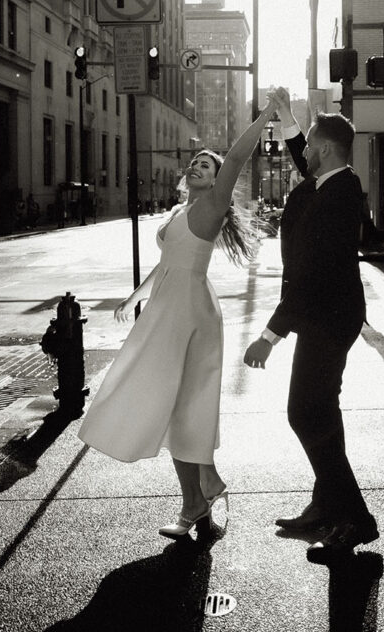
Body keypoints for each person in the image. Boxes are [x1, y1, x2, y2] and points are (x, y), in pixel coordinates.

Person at [78, 99, 276, 541]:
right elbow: (167, 263)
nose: (198, 167)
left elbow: (238, 158)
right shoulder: (180, 212)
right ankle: (199, 498)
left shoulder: (210, 208)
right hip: (172, 305)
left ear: (216, 179)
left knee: (178, 404)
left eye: (208, 165)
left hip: (188, 311)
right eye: (195, 163)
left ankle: (200, 492)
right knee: (178, 408)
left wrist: (264, 119)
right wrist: (136, 296)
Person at [244, 87, 378, 563]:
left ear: (323, 150)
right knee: (320, 414)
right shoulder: (332, 183)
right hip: (326, 316)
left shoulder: (339, 196)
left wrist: (269, 335)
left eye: (309, 146)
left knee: (306, 413)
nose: (303, 154)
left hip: (328, 317)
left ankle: (355, 519)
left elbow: (311, 271)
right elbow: (307, 159)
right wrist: (285, 113)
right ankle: (327, 506)